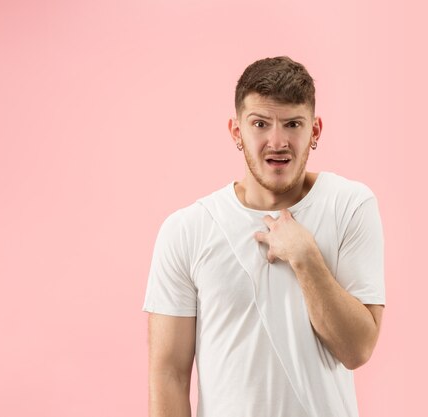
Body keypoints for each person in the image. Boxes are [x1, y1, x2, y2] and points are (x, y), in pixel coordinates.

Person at [143, 56, 386, 417]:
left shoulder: (349, 206)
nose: (277, 141)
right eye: (260, 124)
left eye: (292, 124)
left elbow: (356, 350)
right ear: (236, 131)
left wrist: (305, 257)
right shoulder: (188, 229)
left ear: (315, 131)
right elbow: (169, 376)